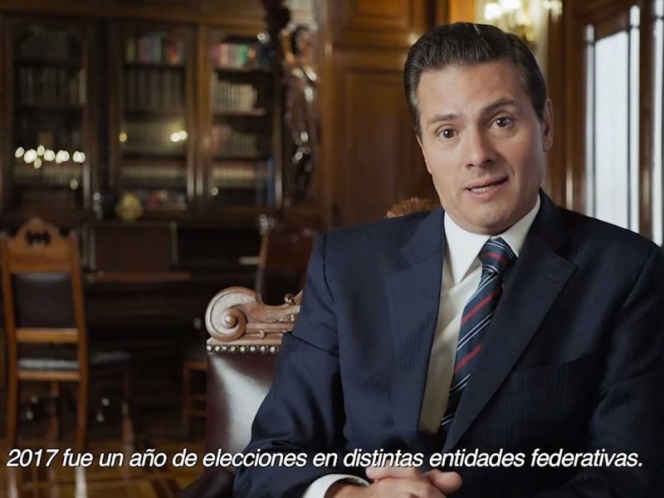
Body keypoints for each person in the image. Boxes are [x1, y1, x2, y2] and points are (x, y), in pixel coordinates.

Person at [234, 22, 664, 497]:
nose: (477, 155)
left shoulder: (627, 272)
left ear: (545, 124)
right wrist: (350, 495)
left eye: (501, 122)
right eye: (447, 131)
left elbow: (630, 475)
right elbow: (270, 456)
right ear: (424, 149)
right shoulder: (347, 265)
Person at [280, 25, 319, 202]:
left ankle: (303, 188)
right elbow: (287, 58)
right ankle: (296, 187)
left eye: (306, 39)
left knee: (311, 149)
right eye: (300, 40)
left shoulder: (313, 66)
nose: (303, 43)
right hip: (298, 112)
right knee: (303, 146)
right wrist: (285, 40)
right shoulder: (295, 65)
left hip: (311, 112)